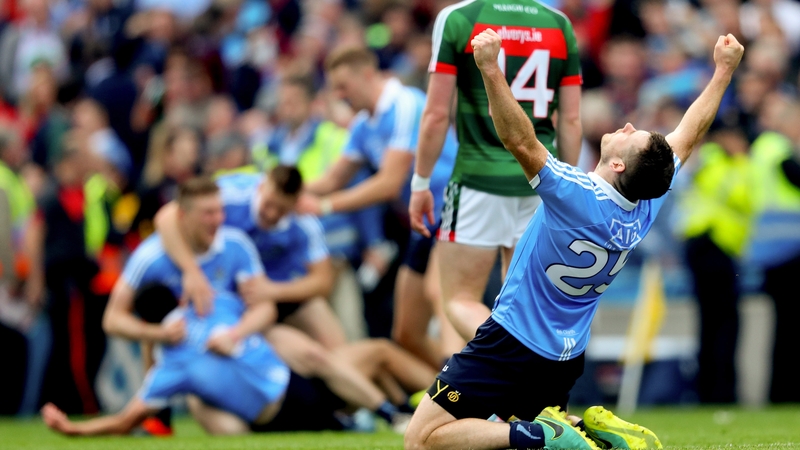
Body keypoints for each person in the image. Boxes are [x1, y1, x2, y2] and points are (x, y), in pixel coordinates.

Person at [404, 29, 744, 450]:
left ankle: (543, 432)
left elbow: (519, 139)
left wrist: (490, 68)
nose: (626, 125)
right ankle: (585, 427)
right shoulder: (646, 202)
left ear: (618, 162)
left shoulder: (575, 194)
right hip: (565, 356)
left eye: (630, 135)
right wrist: (724, 73)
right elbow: (689, 134)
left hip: (510, 342)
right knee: (496, 429)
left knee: (422, 440)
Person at [110, 176, 426, 431]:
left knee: (335, 356)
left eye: (282, 210)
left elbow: (304, 289)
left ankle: (407, 406)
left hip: (258, 323)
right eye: (208, 214)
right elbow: (115, 318)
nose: (217, 219)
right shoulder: (158, 254)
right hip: (216, 363)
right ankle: (159, 418)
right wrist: (170, 316)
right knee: (220, 417)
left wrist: (264, 300)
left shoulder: (235, 243)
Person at [409, 0, 584, 344]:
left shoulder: (460, 18)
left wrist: (421, 182)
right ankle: (529, 384)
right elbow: (572, 119)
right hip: (539, 181)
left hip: (478, 180)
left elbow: (435, 115)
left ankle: (510, 361)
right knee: (525, 307)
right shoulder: (559, 24)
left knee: (459, 300)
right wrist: (566, 189)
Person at [300, 47, 460, 369]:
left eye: (344, 86)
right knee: (407, 332)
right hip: (423, 219)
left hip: (457, 204)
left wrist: (324, 206)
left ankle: (465, 398)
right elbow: (333, 178)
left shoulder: (405, 105)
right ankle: (449, 390)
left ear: (368, 75)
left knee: (439, 296)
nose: (339, 95)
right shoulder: (362, 124)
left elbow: (388, 183)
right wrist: (285, 192)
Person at [155, 165, 347, 350]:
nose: (272, 214)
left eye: (281, 210)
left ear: (295, 203)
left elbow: (323, 281)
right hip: (227, 294)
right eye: (269, 204)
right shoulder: (230, 194)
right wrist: (192, 272)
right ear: (262, 186)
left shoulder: (304, 221)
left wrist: (273, 291)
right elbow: (166, 218)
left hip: (279, 290)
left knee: (336, 348)